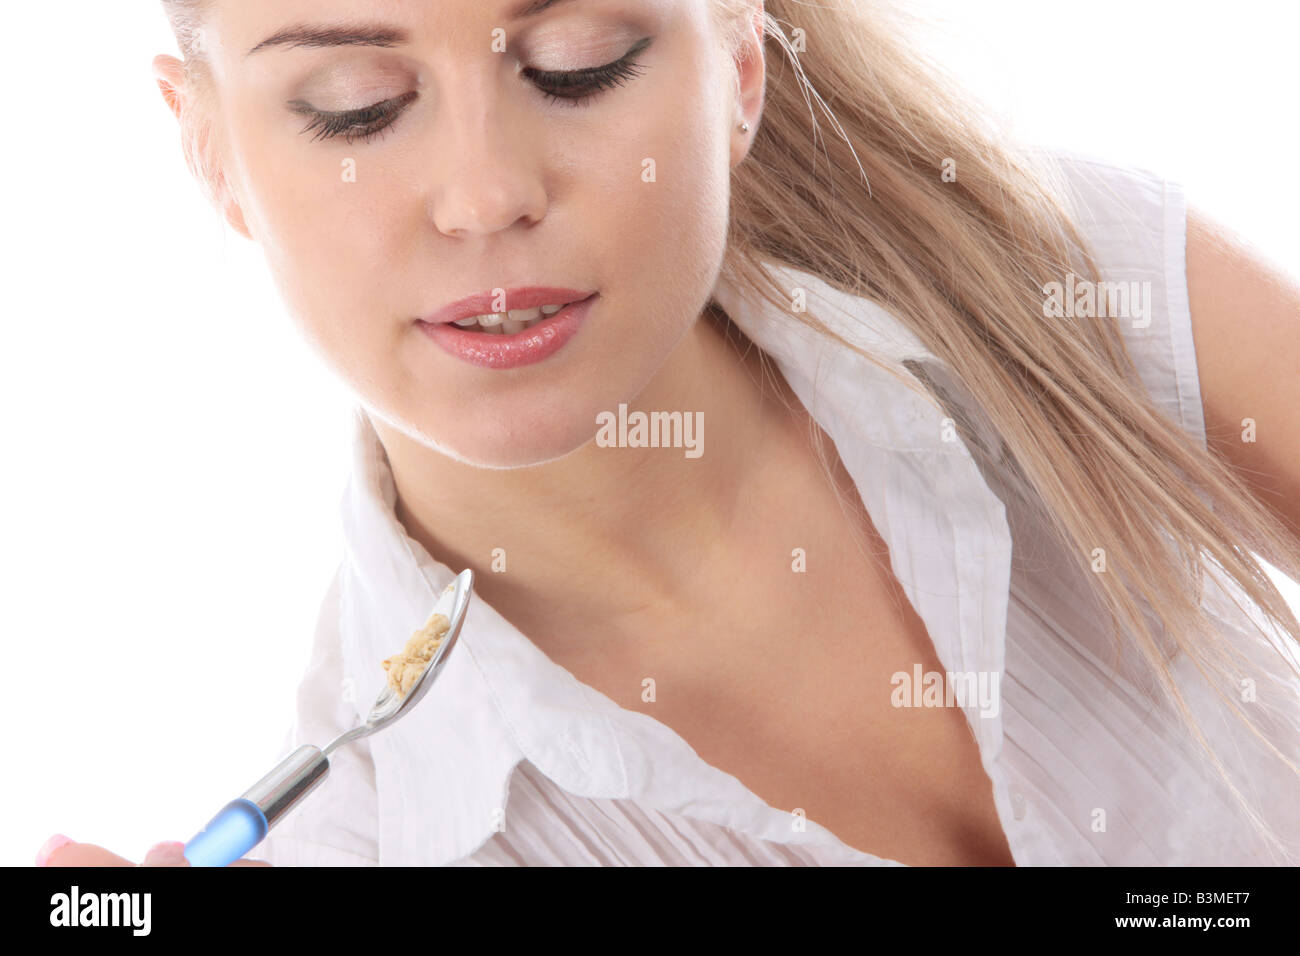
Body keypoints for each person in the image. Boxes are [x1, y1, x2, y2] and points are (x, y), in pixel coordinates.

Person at [40, 0, 1300, 867]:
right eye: (358, 107)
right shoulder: (365, 835)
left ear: (737, 66)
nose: (486, 196)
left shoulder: (1064, 293)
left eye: (578, 62)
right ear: (210, 151)